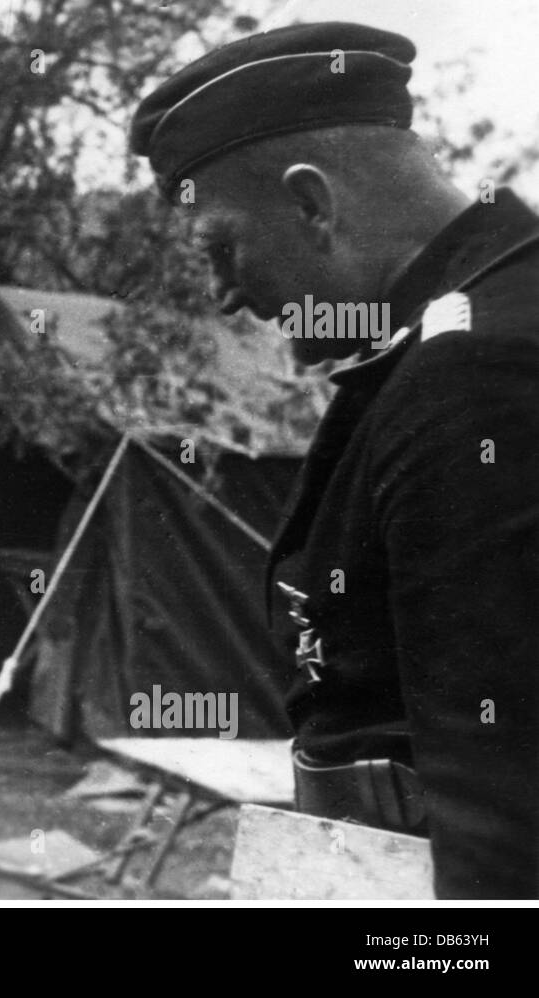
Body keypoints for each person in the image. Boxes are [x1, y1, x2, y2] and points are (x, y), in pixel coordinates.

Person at [130, 22, 538, 898]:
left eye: (221, 249)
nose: (227, 295)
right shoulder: (441, 343)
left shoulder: (481, 371)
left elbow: (506, 808)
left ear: (312, 204)